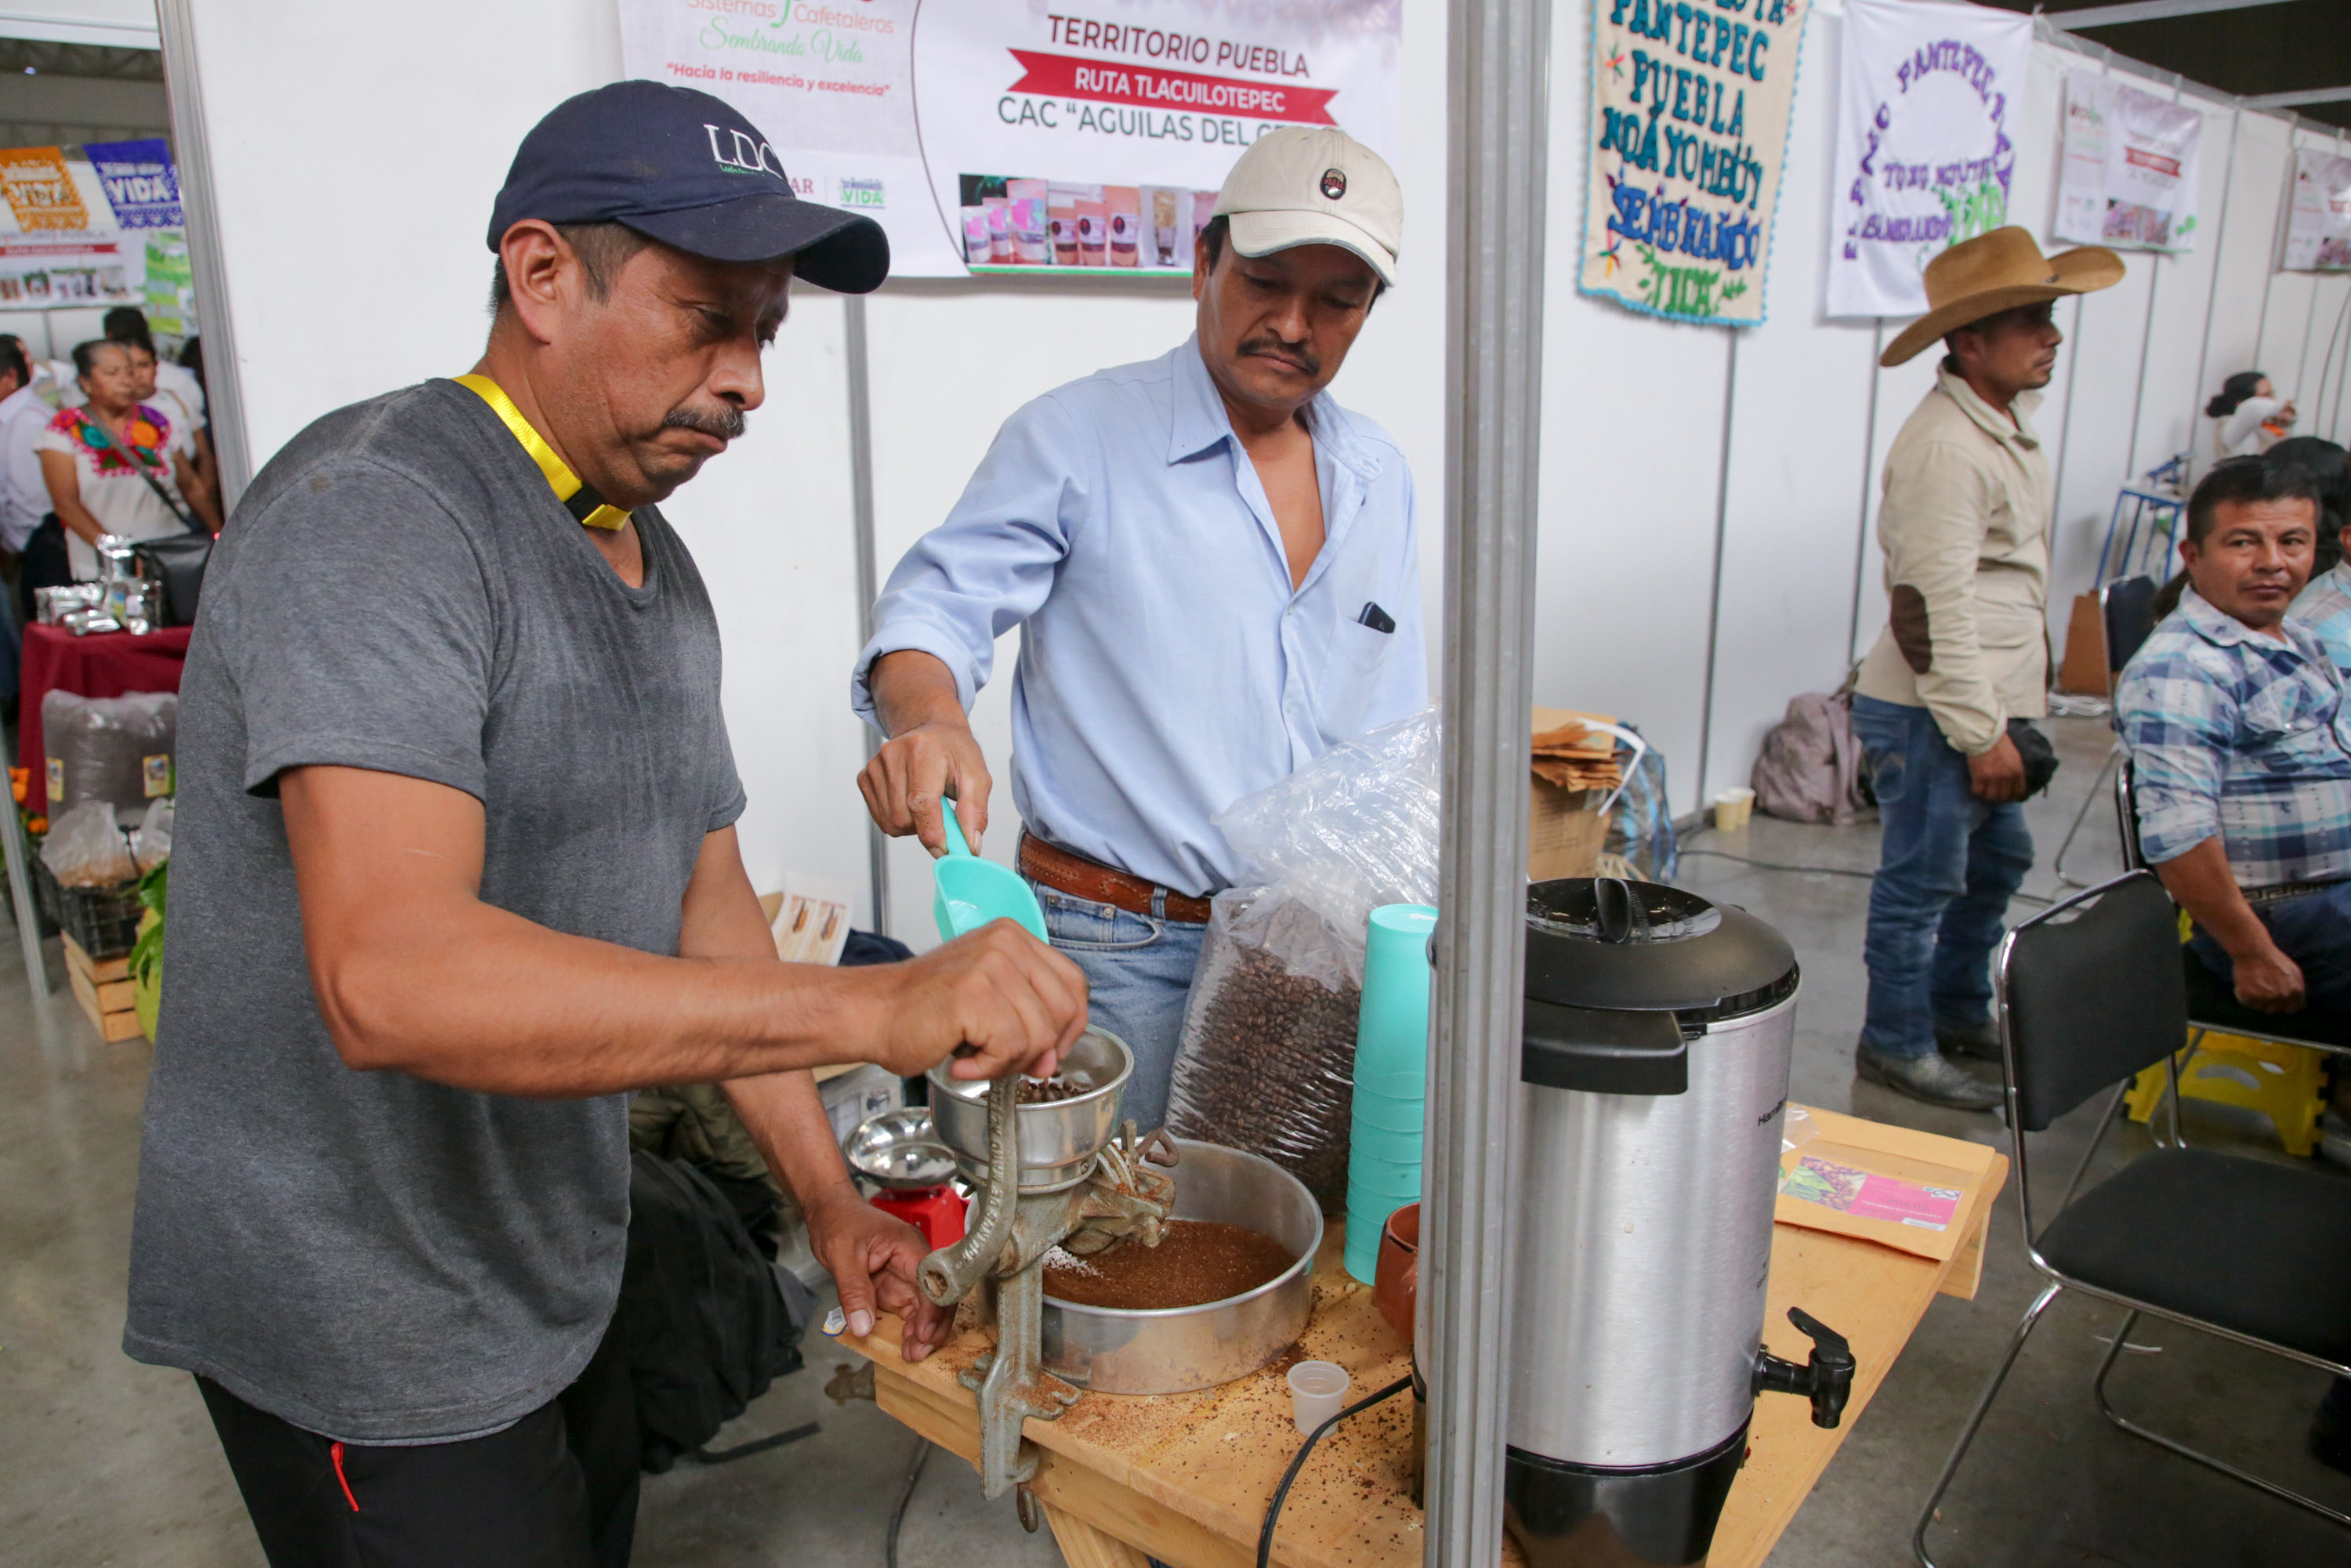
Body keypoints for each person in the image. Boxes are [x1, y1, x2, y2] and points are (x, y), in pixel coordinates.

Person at [123, 80, 1087, 1568]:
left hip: (552, 1267)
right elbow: (393, 975)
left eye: (764, 331)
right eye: (709, 315)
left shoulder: (653, 564)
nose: (749, 380)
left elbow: (705, 904)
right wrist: (883, 1001)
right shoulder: (382, 515)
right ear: (542, 276)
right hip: (362, 1317)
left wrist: (828, 1198)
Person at [852, 126, 1424, 1130]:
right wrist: (930, 718)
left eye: (1337, 299)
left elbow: (1389, 737)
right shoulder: (1078, 439)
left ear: (1369, 311)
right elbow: (932, 613)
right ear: (1205, 263)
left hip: (1305, 961)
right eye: (1265, 280)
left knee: (1284, 1241)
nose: (1293, 323)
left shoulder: (1379, 480)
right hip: (1120, 953)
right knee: (1109, 1248)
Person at [1849, 227, 2124, 1110]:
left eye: (2050, 315)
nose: (2053, 335)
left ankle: (1956, 1012)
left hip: (1978, 711)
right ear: (1970, 341)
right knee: (1921, 886)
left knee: (1991, 869)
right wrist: (1978, 735)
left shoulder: (1996, 430)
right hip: (1940, 715)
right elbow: (1926, 608)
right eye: (2033, 319)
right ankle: (1895, 1044)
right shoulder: (1947, 448)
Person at [2117, 455, 2351, 1016]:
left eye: (2293, 542)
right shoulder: (2184, 669)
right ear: (2193, 555)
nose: (2272, 563)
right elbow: (2179, 835)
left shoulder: (2295, 635)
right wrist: (2252, 953)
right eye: (2244, 543)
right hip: (2287, 919)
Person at [30, 339, 220, 588]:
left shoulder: (155, 422)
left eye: (129, 372)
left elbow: (190, 485)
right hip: (101, 568)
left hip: (170, 559)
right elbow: (66, 504)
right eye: (111, 373)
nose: (125, 380)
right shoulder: (63, 429)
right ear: (86, 382)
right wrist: (119, 555)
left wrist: (220, 536)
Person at [106, 304, 214, 495]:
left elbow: (202, 455)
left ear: (156, 366)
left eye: (143, 365)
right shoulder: (107, 412)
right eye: (129, 368)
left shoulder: (176, 394)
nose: (136, 375)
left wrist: (205, 493)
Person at [2208, 369, 2295, 458]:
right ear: (2242, 403)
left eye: (2272, 394)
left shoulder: (2267, 423)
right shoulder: (2231, 426)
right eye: (2266, 395)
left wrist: (2285, 424)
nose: (2273, 400)